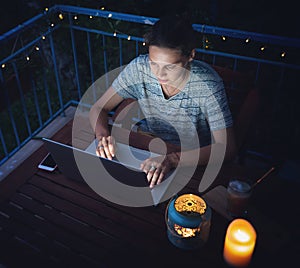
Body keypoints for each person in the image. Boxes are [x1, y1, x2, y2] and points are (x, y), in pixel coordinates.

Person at [89, 14, 237, 188]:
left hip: (192, 158)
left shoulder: (208, 85)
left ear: (190, 55)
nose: (159, 74)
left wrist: (173, 159)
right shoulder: (139, 69)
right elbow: (99, 107)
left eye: (170, 66)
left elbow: (227, 148)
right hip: (149, 147)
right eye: (154, 63)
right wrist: (102, 136)